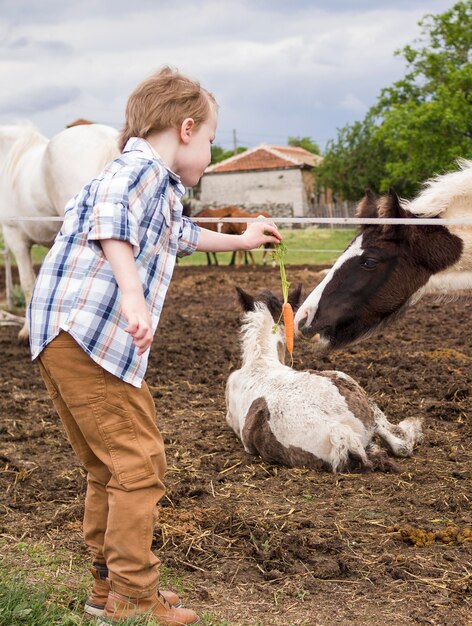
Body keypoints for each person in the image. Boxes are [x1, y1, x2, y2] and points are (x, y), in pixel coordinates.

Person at [27, 66, 281, 626]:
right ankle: (133, 599)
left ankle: (109, 585)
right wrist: (134, 295)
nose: (211, 155)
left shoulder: (153, 185)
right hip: (89, 335)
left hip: (64, 336)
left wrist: (242, 236)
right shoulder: (138, 172)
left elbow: (180, 235)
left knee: (109, 467)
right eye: (212, 141)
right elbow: (114, 220)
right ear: (186, 128)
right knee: (141, 463)